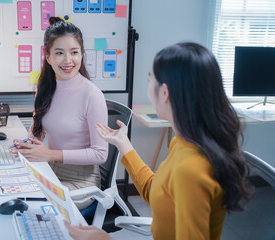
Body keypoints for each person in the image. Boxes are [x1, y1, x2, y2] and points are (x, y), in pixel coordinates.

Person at [65, 42, 253, 239]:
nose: (148, 89)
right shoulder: (186, 144)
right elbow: (157, 192)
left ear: (165, 93)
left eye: (150, 81)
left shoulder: (191, 168)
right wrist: (123, 144)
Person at [13, 17, 108, 210]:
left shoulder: (92, 95)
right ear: (48, 56)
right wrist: (26, 145)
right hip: (50, 171)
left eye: (74, 52)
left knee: (31, 207)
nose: (68, 60)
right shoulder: (45, 88)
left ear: (82, 54)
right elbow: (37, 133)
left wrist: (49, 154)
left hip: (82, 184)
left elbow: (100, 154)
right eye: (59, 53)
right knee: (14, 193)